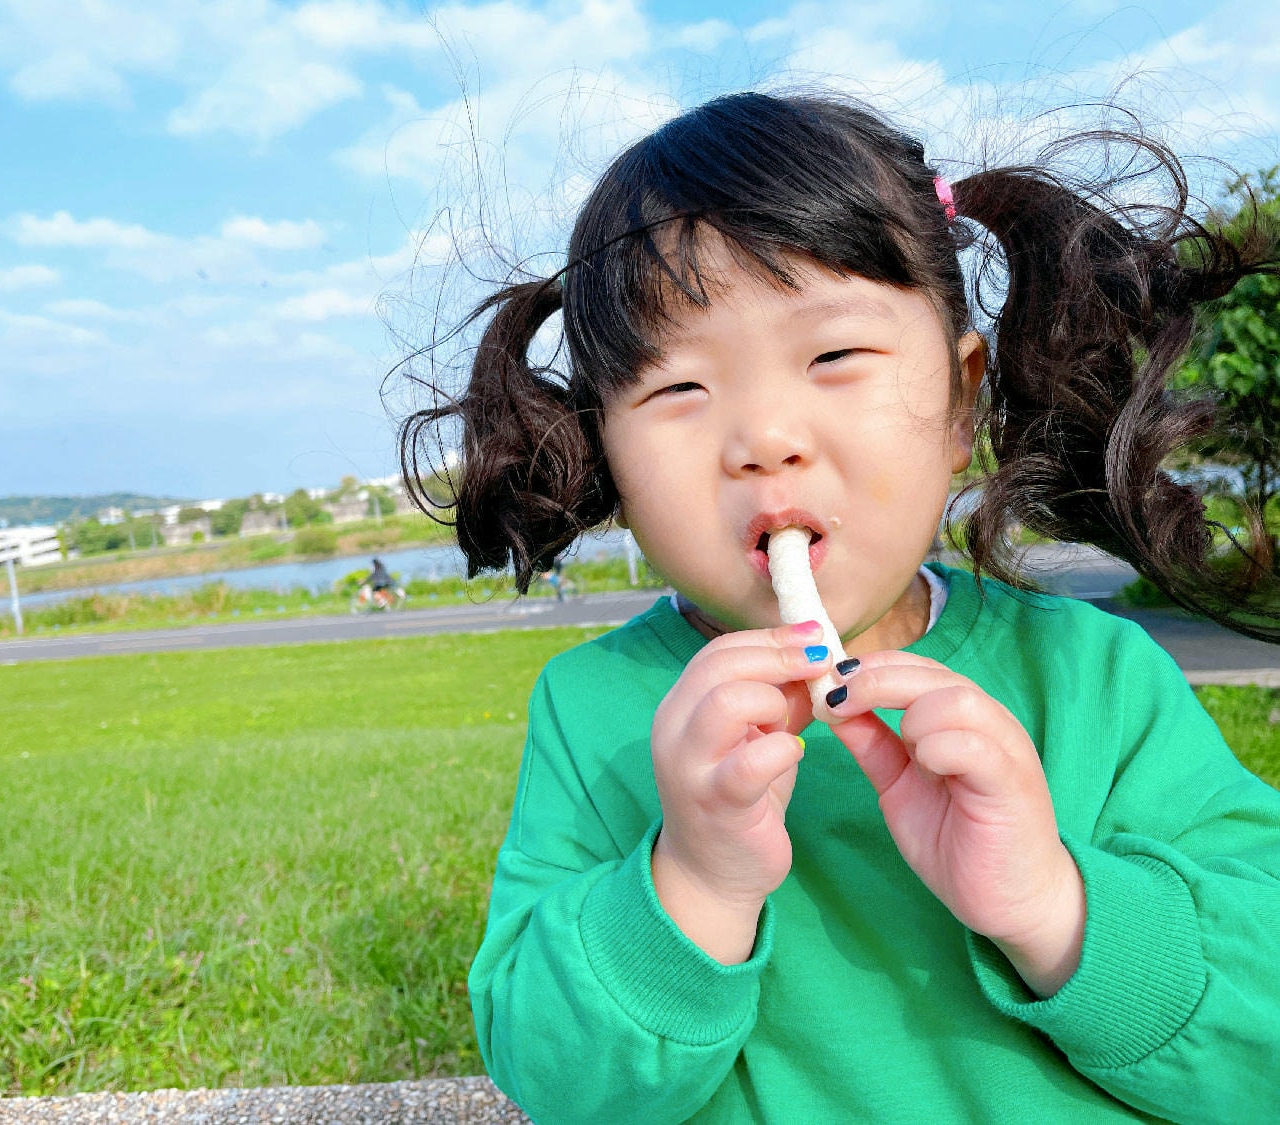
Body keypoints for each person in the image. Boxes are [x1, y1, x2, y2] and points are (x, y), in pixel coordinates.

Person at [398, 92, 1280, 1121]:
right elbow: (557, 1085)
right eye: (679, 389)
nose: (765, 436)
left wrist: (1052, 905)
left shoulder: (1096, 678)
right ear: (608, 452)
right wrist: (690, 882)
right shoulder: (592, 713)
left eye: (833, 358)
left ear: (959, 402)